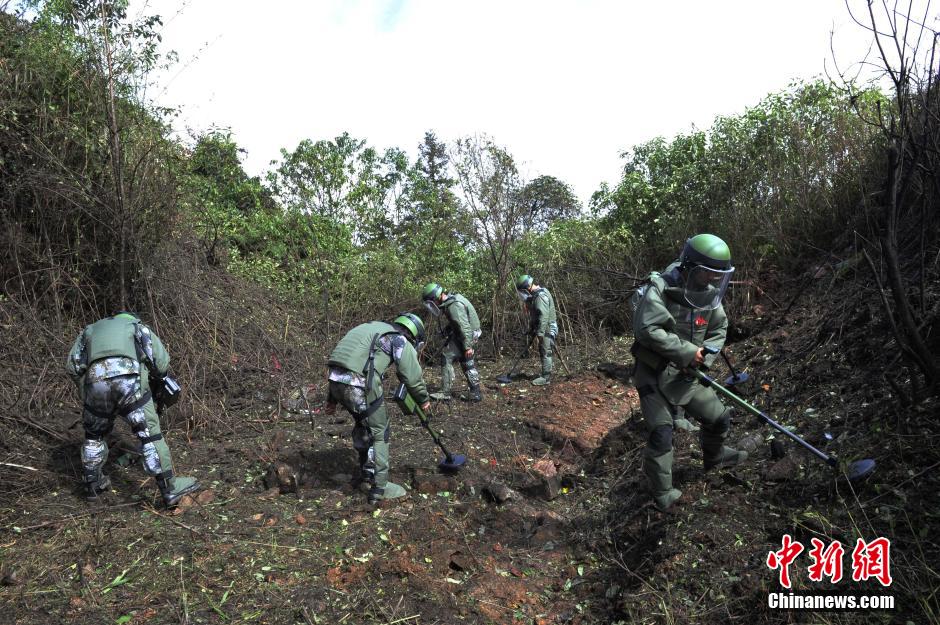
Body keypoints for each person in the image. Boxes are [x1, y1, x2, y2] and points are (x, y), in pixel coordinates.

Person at [631, 233, 748, 512]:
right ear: (692, 266)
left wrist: (703, 355)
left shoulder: (710, 293)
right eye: (708, 272)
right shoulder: (661, 287)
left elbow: (719, 328)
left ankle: (716, 457)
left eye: (718, 274)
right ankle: (663, 494)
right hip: (654, 372)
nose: (712, 278)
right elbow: (647, 329)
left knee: (719, 418)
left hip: (687, 374)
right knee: (661, 431)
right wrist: (684, 351)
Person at [65, 312, 200, 506]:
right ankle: (170, 490)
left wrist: (88, 389)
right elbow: (161, 363)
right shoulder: (137, 327)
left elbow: (72, 367)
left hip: (95, 383)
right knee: (150, 436)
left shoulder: (89, 331)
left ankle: (93, 485)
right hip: (129, 380)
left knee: (94, 436)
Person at [325, 313, 431, 504]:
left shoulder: (371, 329)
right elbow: (411, 376)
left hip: (335, 382)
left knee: (363, 422)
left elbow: (344, 363)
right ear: (413, 334)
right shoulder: (399, 339)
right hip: (359, 385)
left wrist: (331, 399)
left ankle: (366, 472)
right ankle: (380, 487)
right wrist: (423, 399)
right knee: (380, 431)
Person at [421, 282, 483, 402]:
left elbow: (463, 326)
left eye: (430, 302)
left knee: (450, 357)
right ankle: (475, 392)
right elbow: (457, 322)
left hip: (468, 335)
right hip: (468, 333)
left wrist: (468, 347)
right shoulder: (451, 301)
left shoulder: (453, 305)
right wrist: (448, 330)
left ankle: (446, 392)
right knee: (465, 361)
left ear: (435, 297)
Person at [515, 274, 558, 386]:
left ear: (527, 288)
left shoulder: (540, 296)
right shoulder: (536, 295)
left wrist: (540, 333)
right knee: (544, 350)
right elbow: (536, 315)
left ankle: (546, 378)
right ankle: (545, 375)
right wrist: (531, 328)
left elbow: (543, 317)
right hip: (543, 326)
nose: (522, 294)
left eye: (522, 291)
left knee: (545, 351)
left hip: (547, 328)